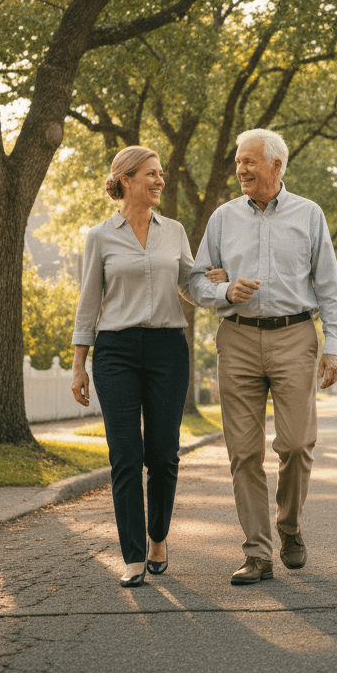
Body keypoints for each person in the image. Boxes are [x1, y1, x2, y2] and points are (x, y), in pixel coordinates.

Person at [189, 128, 337, 586]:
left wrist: (332, 347)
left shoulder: (309, 215)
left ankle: (290, 526)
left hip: (294, 336)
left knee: (296, 445)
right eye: (238, 161)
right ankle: (257, 552)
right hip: (236, 339)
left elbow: (331, 290)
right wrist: (223, 290)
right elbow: (196, 282)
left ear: (276, 166)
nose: (240, 169)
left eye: (249, 161)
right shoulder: (222, 217)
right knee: (243, 452)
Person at [70, 145, 225, 588]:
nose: (160, 181)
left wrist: (213, 284)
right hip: (116, 350)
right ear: (126, 179)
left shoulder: (173, 231)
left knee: (162, 453)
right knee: (125, 454)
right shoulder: (100, 237)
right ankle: (133, 555)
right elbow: (89, 303)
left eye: (161, 175)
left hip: (166, 350)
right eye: (151, 174)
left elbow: (189, 286)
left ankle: (158, 537)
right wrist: (80, 365)